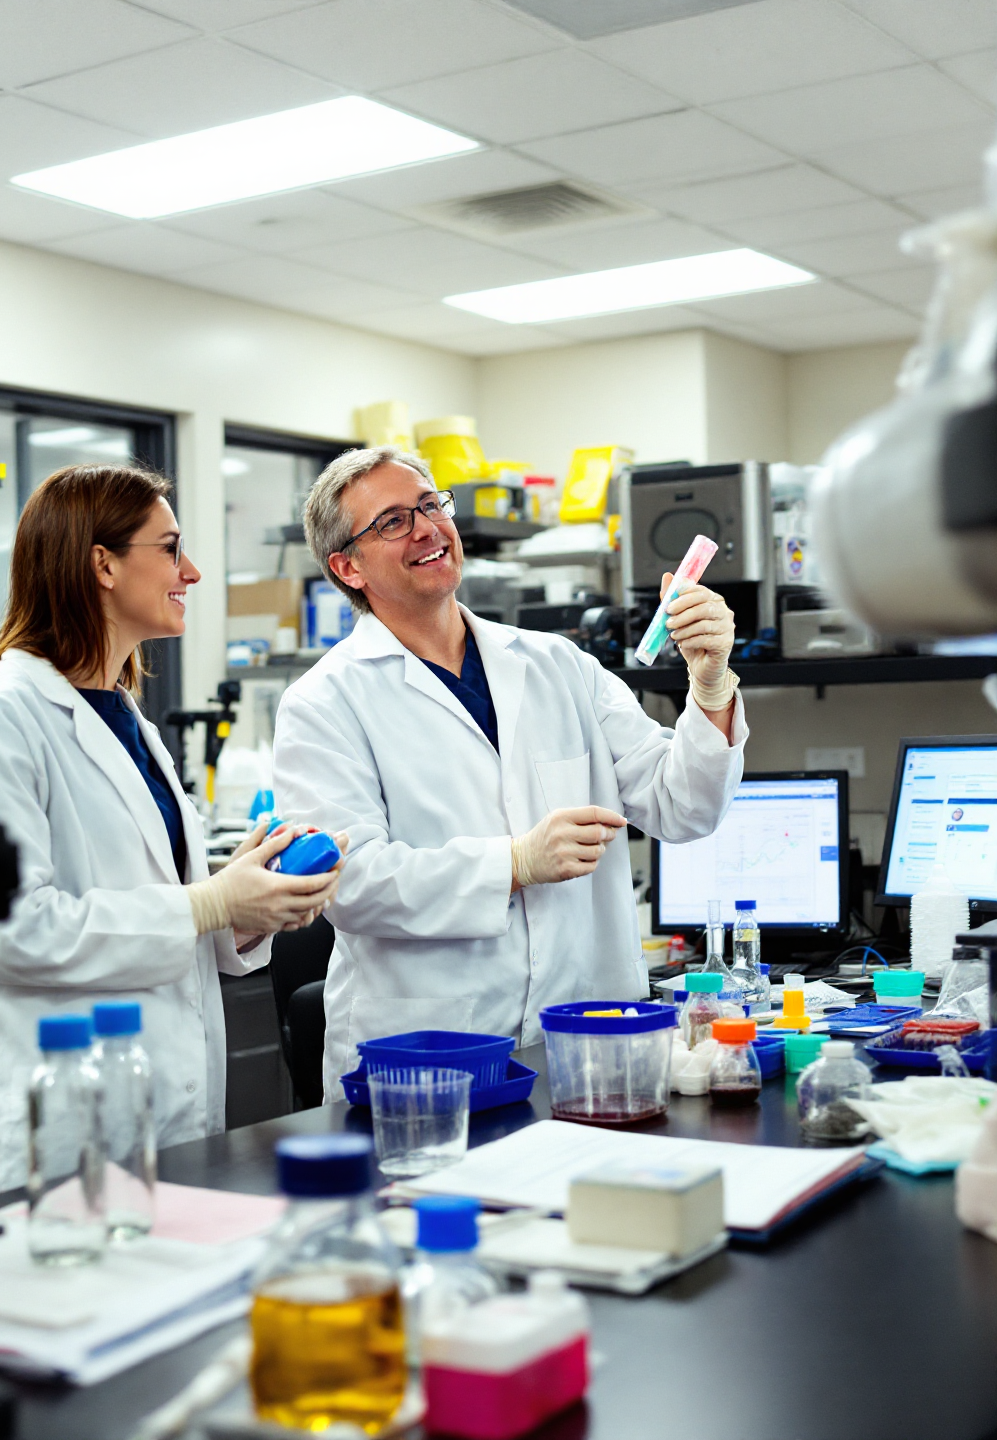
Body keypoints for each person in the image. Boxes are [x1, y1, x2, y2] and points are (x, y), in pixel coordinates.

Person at [0, 463, 343, 1206]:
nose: (193, 571)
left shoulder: (126, 720)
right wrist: (207, 903)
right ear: (103, 563)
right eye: (171, 548)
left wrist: (242, 909)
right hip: (43, 1138)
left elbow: (154, 912)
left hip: (153, 1118)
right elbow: (10, 932)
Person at [272, 446, 746, 1098]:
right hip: (429, 1061)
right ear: (347, 566)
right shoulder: (324, 703)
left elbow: (683, 807)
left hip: (586, 1041)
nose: (426, 529)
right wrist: (513, 864)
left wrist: (711, 683)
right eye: (391, 522)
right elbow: (350, 883)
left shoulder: (559, 666)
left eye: (431, 505)